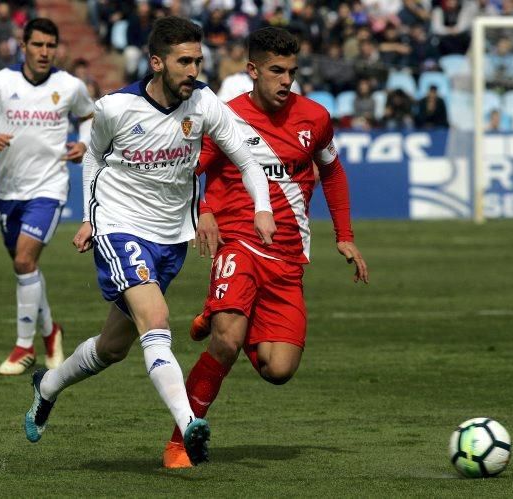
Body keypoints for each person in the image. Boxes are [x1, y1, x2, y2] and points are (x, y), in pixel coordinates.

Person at [23, 16, 276, 466]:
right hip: (120, 227)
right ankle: (188, 423)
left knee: (113, 347)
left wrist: (262, 208)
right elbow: (94, 159)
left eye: (198, 60)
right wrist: (90, 218)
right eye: (184, 61)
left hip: (171, 238)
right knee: (157, 319)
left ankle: (48, 386)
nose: (193, 69)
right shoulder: (114, 108)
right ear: (157, 63)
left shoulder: (203, 103)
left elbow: (246, 158)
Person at [160, 27, 369, 469]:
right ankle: (181, 439)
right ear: (252, 70)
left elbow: (331, 173)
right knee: (226, 343)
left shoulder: (315, 118)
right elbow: (191, 167)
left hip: (288, 259)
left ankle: (219, 311)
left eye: (291, 71)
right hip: (239, 242)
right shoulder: (225, 116)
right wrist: (206, 211)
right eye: (276, 71)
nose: (285, 80)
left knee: (279, 369)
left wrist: (344, 236)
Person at [0, 18, 95, 375]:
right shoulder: (0, 83)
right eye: (37, 45)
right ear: (23, 46)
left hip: (49, 188)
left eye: (50, 45)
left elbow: (89, 116)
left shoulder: (69, 86)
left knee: (23, 261)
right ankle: (52, 332)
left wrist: (84, 142)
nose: (44, 52)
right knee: (26, 268)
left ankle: (23, 347)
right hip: (9, 191)